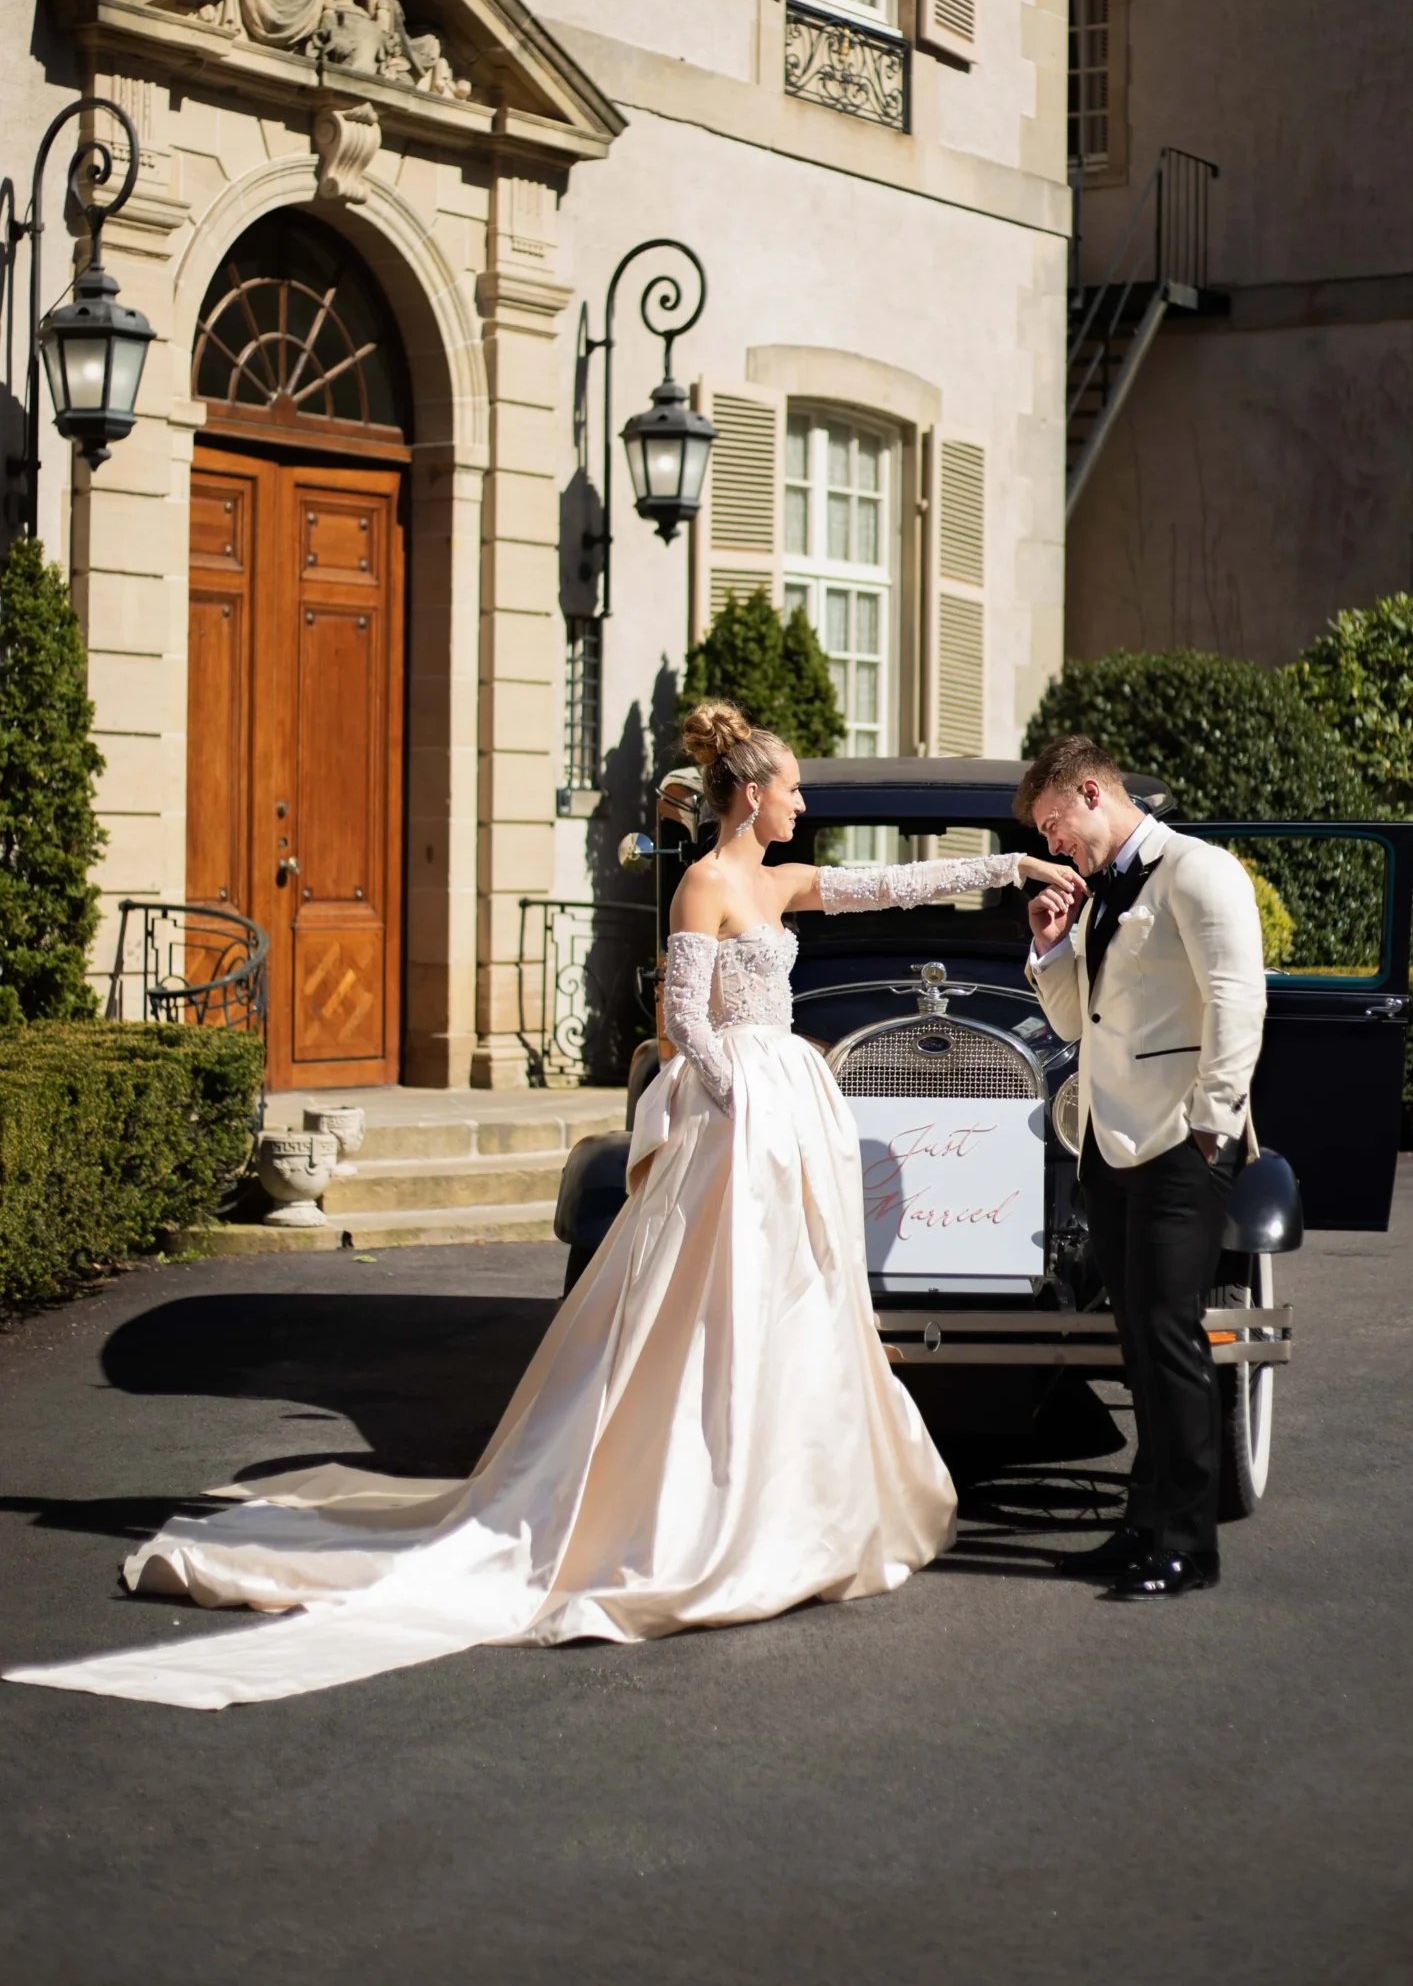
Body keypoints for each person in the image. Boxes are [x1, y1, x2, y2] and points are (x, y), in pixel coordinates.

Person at [8, 703, 1063, 1710]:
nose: (798, 807)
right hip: (741, 1113)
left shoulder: (781, 884)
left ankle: (797, 1506)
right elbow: (680, 1015)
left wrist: (1010, 865)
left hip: (788, 1113)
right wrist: (738, 1091)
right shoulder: (704, 886)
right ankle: (695, 1513)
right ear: (751, 796)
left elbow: (890, 886)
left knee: (792, 1303)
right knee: (707, 1310)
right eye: (790, 791)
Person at [1018, 735, 1266, 1599]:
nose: (1053, 845)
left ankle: (1188, 1545)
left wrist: (1210, 1126)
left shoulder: (1199, 871)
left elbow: (1238, 998)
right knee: (1136, 1346)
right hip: (1106, 1145)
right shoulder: (1094, 897)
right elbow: (1074, 1023)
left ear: (1092, 792)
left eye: (1055, 825)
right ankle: (1140, 1526)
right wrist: (1050, 946)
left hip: (1177, 1145)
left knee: (1170, 1341)